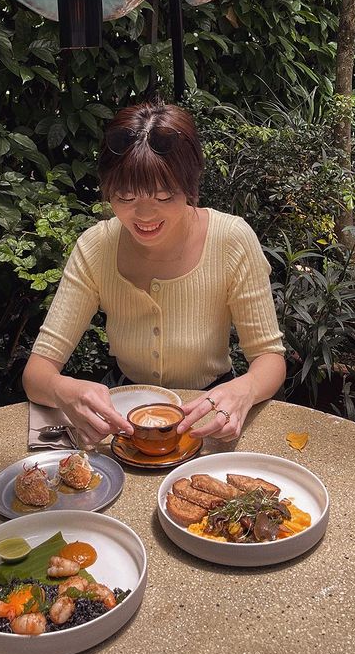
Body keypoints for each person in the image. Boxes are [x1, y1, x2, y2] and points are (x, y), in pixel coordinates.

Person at [23, 101, 286, 448]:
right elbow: (36, 374)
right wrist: (63, 389)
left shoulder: (231, 239)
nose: (144, 215)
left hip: (207, 413)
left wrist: (246, 389)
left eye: (163, 197)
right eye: (125, 197)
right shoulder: (96, 246)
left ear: (190, 186)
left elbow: (269, 358)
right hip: (124, 417)